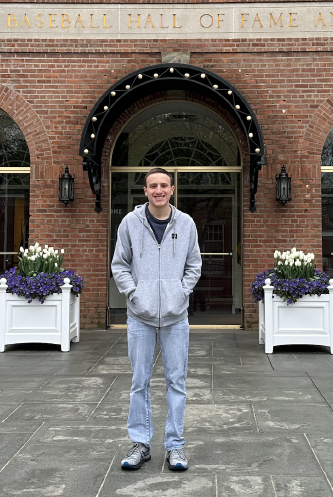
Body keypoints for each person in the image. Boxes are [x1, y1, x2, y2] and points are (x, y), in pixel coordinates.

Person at [111, 167, 202, 471]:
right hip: (140, 317)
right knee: (140, 382)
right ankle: (140, 444)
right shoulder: (130, 223)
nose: (159, 190)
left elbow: (194, 266)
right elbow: (120, 265)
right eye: (153, 186)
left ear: (172, 189)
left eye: (164, 185)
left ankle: (175, 447)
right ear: (146, 191)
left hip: (176, 318)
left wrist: (181, 293)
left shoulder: (186, 224)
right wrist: (134, 294)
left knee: (176, 382)